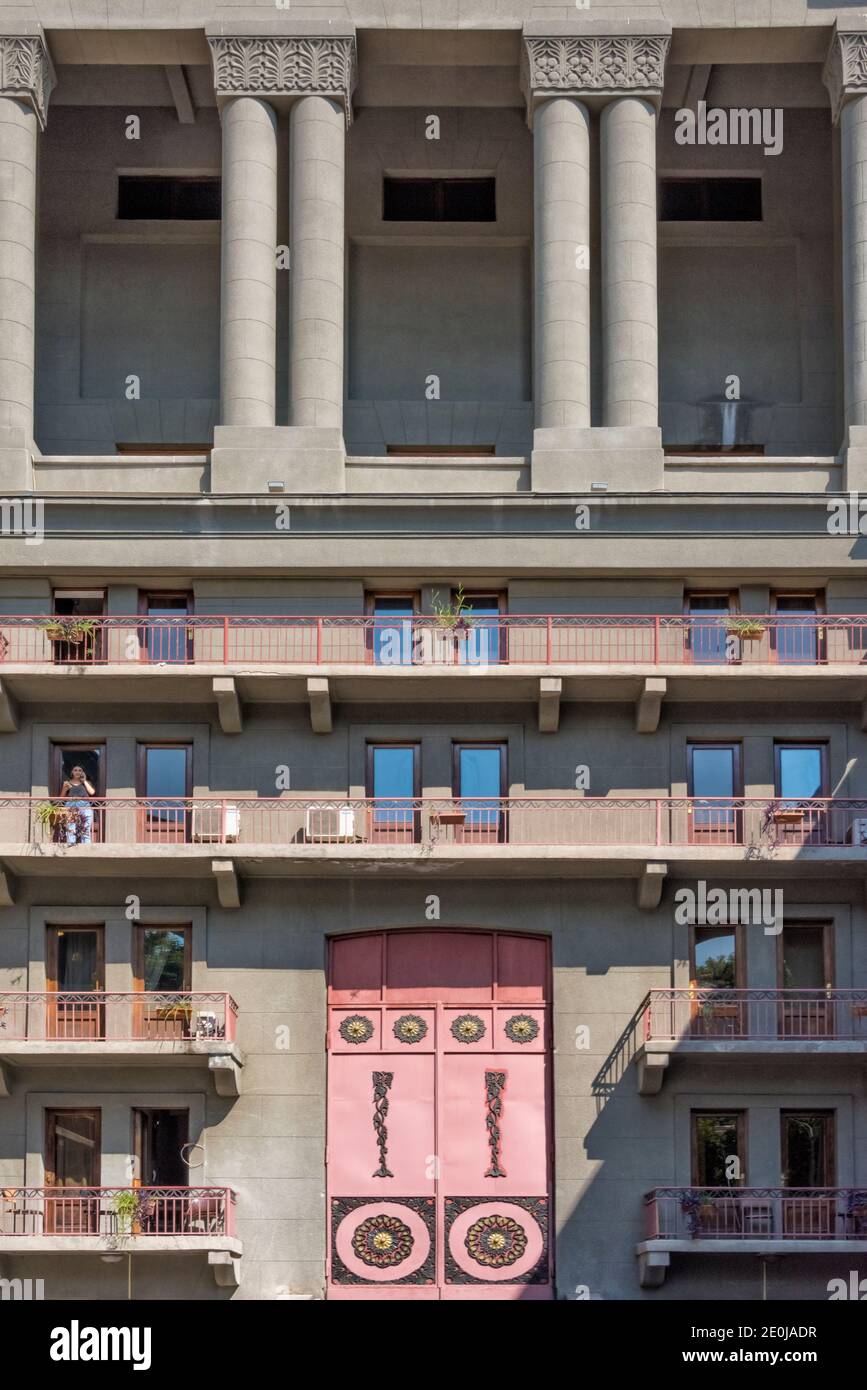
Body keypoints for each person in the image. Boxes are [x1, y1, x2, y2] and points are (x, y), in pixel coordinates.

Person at [60, 764, 95, 844]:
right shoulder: (67, 783)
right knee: (71, 828)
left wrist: (84, 781)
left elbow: (92, 792)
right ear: (72, 772)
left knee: (85, 828)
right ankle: (71, 846)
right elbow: (62, 797)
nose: (77, 772)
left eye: (80, 770)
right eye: (75, 770)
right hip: (71, 805)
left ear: (83, 772)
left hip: (84, 805)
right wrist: (64, 789)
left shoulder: (86, 782)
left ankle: (86, 848)